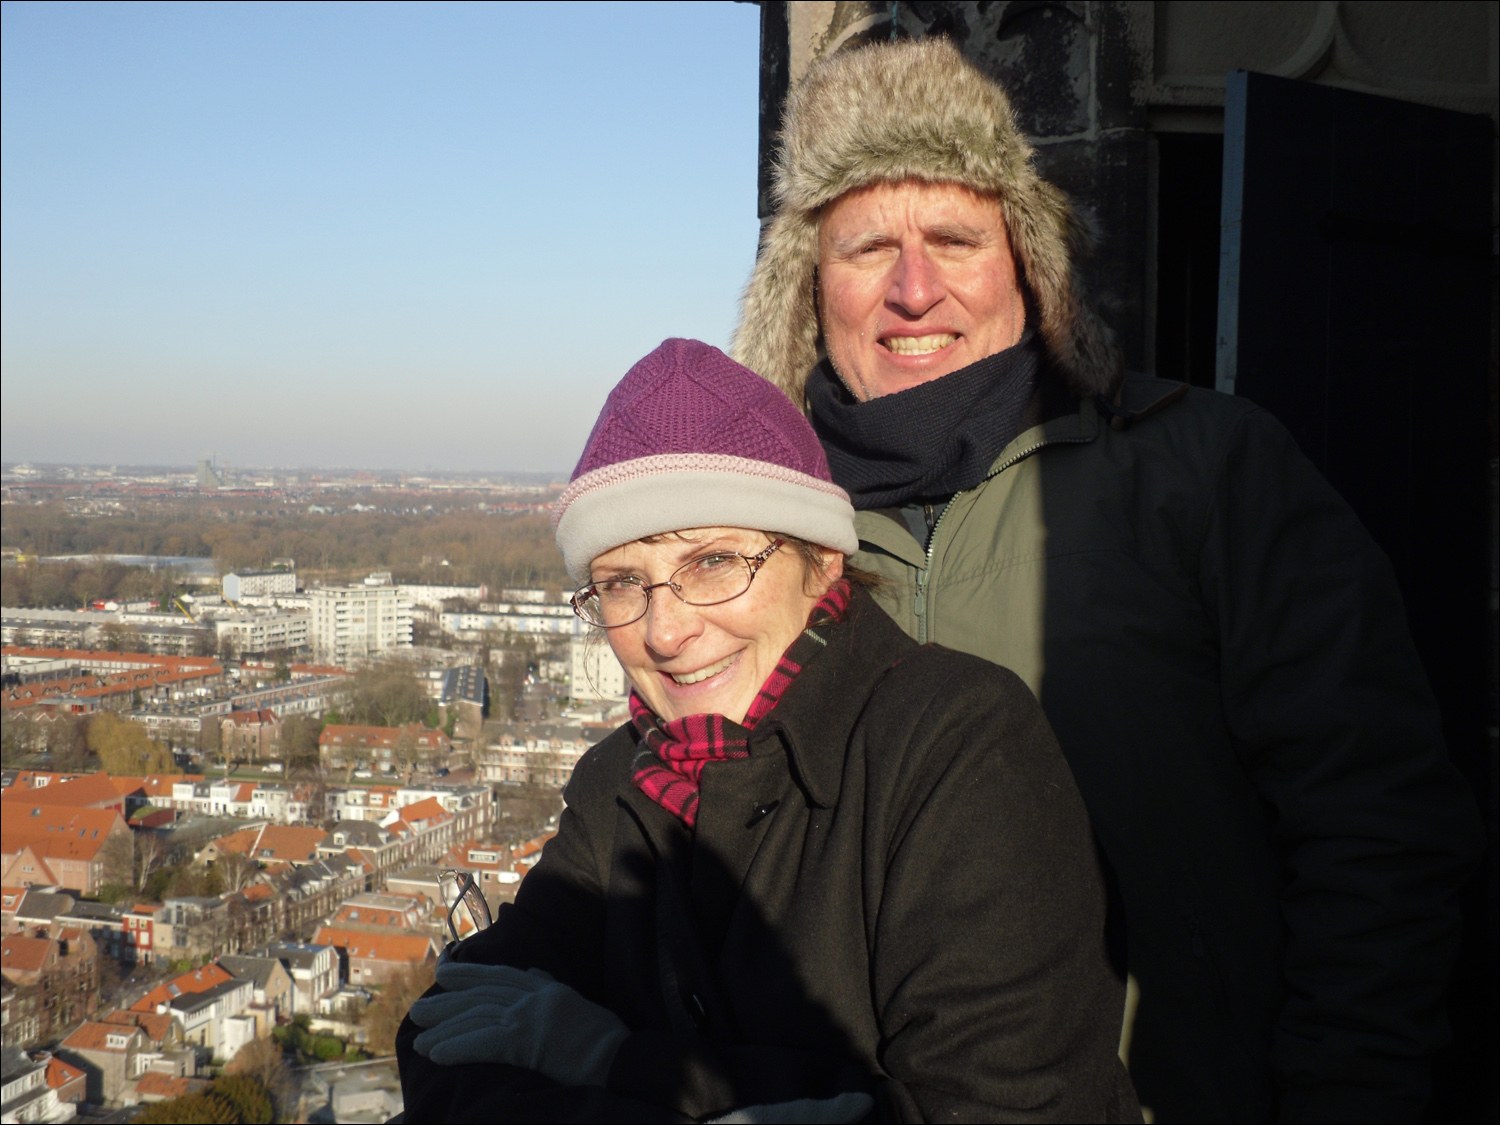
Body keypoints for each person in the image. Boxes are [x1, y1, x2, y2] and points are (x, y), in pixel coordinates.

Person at [729, 37, 1484, 1124]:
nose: (912, 289)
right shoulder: (756, 537)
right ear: (807, 282)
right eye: (864, 248)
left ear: (1030, 262)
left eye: (953, 237)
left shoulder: (1205, 470)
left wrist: (1344, 1090)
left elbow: (1379, 825)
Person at [395, 338, 1140, 1123]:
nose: (666, 629)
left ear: (822, 558)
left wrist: (608, 1058)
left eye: (714, 560)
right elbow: (447, 1037)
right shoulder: (618, 784)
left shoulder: (957, 746)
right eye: (620, 583)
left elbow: (1000, 1109)